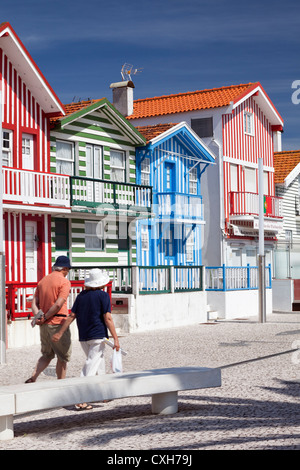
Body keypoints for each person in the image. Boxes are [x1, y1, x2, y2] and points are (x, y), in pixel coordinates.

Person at [52, 268, 120, 411]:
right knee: (91, 365)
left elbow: (71, 316)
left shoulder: (81, 296)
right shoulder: (103, 296)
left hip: (84, 336)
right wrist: (116, 338)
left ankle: (103, 393)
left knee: (98, 362)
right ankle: (80, 398)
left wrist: (59, 332)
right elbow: (107, 317)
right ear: (101, 283)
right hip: (98, 336)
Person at [25, 255, 72, 383]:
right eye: (68, 270)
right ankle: (60, 383)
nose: (68, 273)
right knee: (62, 357)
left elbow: (34, 303)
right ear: (65, 268)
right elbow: (58, 304)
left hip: (44, 325)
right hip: (57, 323)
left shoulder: (43, 281)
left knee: (46, 355)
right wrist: (46, 316)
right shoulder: (64, 282)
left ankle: (33, 377)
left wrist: (39, 318)